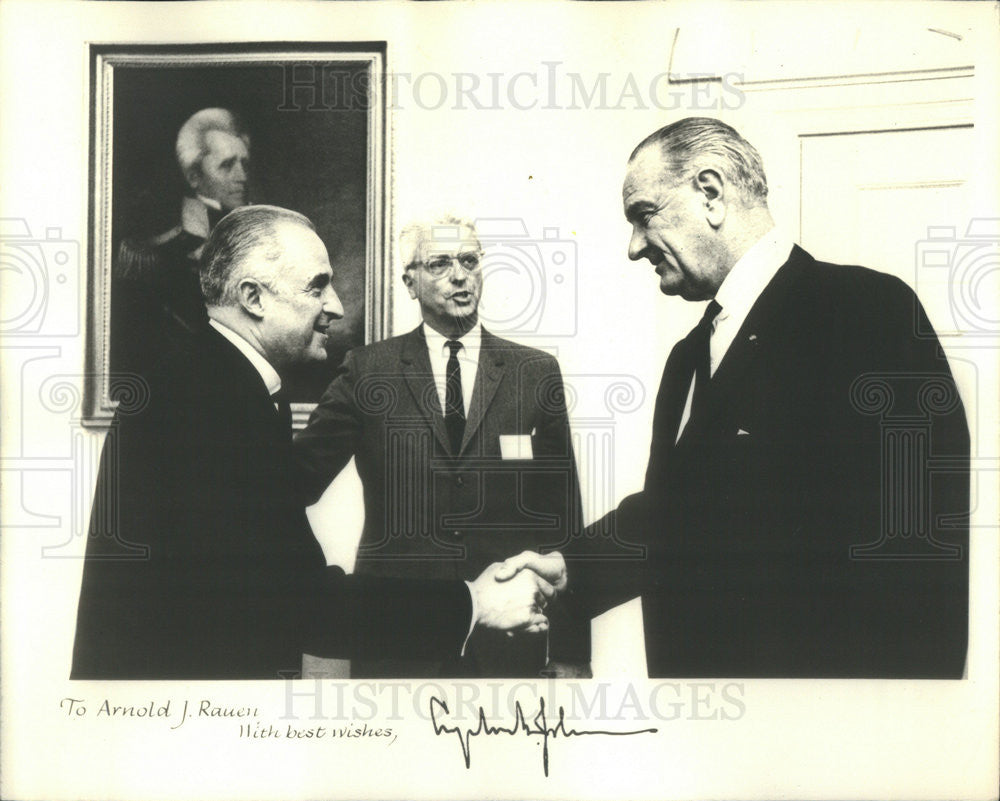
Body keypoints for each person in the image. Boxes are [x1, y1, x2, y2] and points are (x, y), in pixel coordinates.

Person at [72, 205, 566, 680]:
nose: (337, 306)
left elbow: (263, 563)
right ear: (254, 297)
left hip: (182, 701)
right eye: (318, 287)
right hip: (173, 715)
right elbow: (293, 589)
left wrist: (567, 646)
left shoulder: (232, 385)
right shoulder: (208, 396)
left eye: (470, 260)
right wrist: (473, 603)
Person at [572, 117, 969, 678]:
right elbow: (676, 516)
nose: (634, 247)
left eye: (643, 216)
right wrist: (563, 573)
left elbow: (921, 548)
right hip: (701, 729)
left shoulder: (866, 310)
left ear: (710, 193)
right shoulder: (687, 356)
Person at [295, 215, 586, 678]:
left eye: (470, 261)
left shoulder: (533, 373)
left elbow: (563, 518)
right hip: (398, 636)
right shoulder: (368, 370)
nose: (459, 275)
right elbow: (294, 483)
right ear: (410, 282)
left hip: (509, 639)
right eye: (440, 263)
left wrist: (572, 650)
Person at [111, 108, 251, 379]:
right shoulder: (152, 253)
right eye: (227, 165)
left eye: (245, 164)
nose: (242, 177)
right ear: (194, 177)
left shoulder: (260, 238)